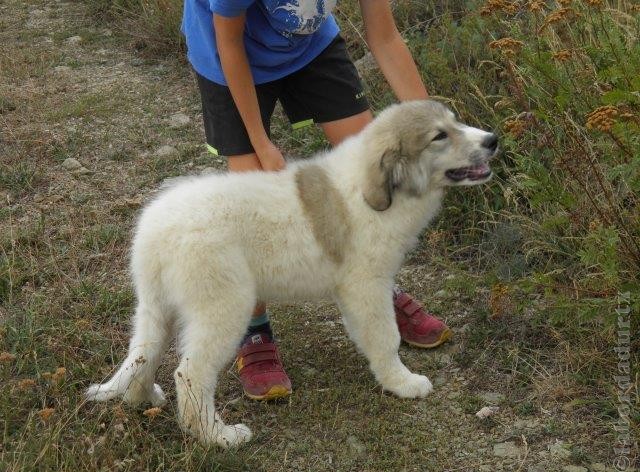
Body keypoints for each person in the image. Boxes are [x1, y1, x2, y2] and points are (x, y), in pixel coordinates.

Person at [181, 0, 452, 401]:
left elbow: (385, 37)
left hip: (310, 50)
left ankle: (373, 289)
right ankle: (252, 329)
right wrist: (261, 143)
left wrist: (438, 130)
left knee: (371, 169)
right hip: (228, 58)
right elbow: (230, 44)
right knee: (253, 201)